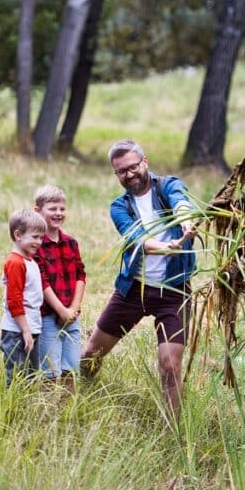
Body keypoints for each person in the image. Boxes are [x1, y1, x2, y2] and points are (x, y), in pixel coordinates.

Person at [80, 140, 198, 422]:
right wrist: (163, 246)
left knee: (170, 366)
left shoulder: (167, 186)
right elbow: (135, 239)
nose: (129, 174)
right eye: (121, 171)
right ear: (116, 174)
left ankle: (173, 429)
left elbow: (181, 201)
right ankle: (82, 398)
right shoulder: (118, 206)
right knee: (90, 356)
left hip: (174, 291)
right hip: (133, 289)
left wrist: (185, 220)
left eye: (133, 167)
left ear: (145, 161)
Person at [32, 185, 86, 393]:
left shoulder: (71, 242)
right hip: (48, 317)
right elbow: (42, 280)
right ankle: (46, 415)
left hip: (72, 317)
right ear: (37, 211)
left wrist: (73, 308)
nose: (58, 213)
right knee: (50, 371)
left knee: (71, 369)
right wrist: (61, 311)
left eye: (62, 209)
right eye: (52, 209)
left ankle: (66, 415)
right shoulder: (36, 245)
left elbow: (81, 274)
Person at [0, 209, 47, 386]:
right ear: (18, 235)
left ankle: (27, 410)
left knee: (31, 377)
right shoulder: (15, 262)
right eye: (35, 237)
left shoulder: (30, 261)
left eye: (41, 238)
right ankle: (13, 412)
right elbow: (14, 300)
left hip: (31, 328)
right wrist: (25, 331)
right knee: (16, 378)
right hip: (17, 331)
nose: (39, 242)